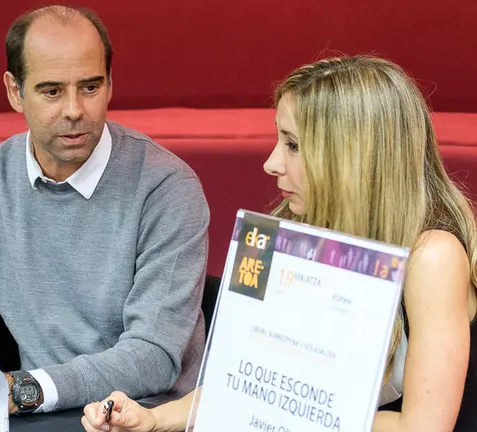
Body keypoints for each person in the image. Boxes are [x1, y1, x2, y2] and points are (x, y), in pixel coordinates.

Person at [81, 56, 477, 432]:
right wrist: (153, 419)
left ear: (351, 156)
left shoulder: (433, 256)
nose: (271, 162)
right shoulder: (285, 228)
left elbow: (424, 426)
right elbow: (243, 385)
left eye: (293, 145)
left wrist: (284, 412)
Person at [0, 5, 209, 423]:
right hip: (41, 412)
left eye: (91, 87)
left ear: (111, 84)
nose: (75, 109)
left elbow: (152, 356)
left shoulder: (167, 188)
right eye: (52, 91)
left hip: (145, 418)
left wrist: (19, 389)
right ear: (13, 90)